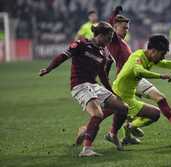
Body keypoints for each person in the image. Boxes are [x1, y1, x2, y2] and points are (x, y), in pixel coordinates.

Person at [107, 7, 171, 145]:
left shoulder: (131, 47)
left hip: (135, 80)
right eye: (124, 28)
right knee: (117, 112)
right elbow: (138, 70)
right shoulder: (116, 41)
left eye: (128, 28)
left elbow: (167, 63)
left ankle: (132, 130)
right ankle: (98, 132)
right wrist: (114, 14)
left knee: (159, 100)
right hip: (125, 84)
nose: (126, 30)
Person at [39, 21, 128, 157]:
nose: (109, 41)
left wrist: (112, 92)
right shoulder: (81, 44)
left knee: (123, 107)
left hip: (94, 85)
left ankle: (112, 134)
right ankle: (86, 150)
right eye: (108, 38)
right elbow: (63, 56)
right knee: (97, 114)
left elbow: (102, 75)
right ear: (100, 35)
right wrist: (48, 69)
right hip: (79, 85)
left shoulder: (103, 52)